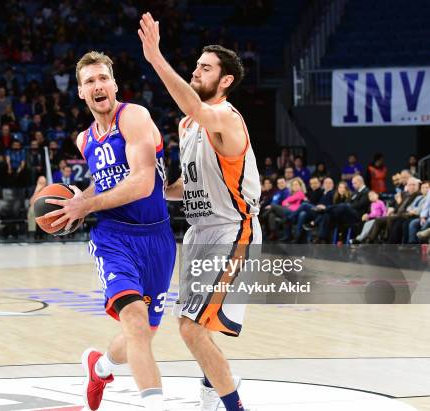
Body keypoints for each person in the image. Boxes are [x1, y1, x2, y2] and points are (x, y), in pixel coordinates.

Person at [138, 14, 260, 411]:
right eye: (196, 65)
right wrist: (150, 187)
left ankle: (230, 402)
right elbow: (183, 189)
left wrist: (156, 58)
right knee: (197, 323)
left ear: (225, 80)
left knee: (192, 328)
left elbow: (198, 107)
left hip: (232, 231)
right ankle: (214, 381)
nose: (196, 72)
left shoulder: (224, 116)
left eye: (205, 68)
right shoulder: (188, 124)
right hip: (199, 232)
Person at [43, 50, 176, 411]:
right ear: (81, 93)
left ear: (114, 84)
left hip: (158, 238)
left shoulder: (133, 117)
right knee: (133, 322)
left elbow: (144, 182)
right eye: (90, 81)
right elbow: (103, 184)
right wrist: (76, 201)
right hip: (114, 238)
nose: (98, 85)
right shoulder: (84, 140)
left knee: (143, 333)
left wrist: (85, 204)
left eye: (103, 78)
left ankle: (99, 367)